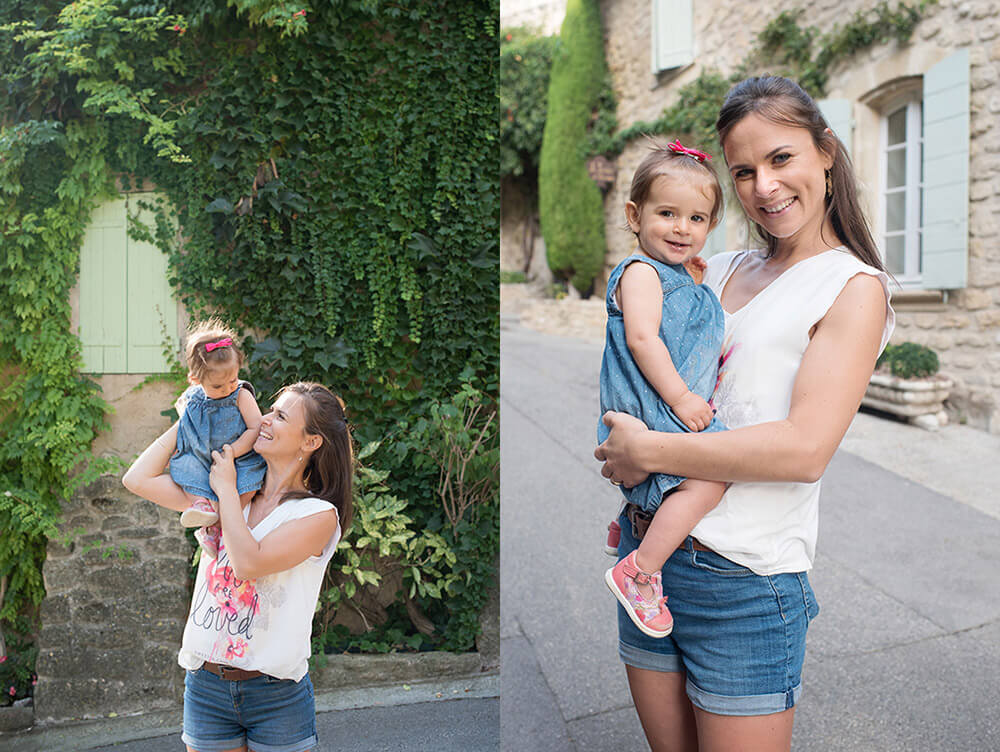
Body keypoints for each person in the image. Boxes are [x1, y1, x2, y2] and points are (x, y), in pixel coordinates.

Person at [594, 75, 895, 752]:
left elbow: (803, 450)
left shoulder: (852, 288)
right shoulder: (717, 266)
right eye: (744, 172)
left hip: (745, 583)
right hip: (651, 555)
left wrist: (651, 452)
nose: (764, 186)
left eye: (780, 159)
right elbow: (640, 342)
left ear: (825, 151)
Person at [123, 381, 353, 752]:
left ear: (311, 442)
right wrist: (196, 412)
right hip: (206, 686)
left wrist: (226, 488)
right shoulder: (231, 491)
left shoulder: (317, 515)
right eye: (270, 409)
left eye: (280, 416)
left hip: (275, 694)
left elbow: (248, 563)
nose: (263, 419)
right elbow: (137, 478)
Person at [599, 139, 728, 640]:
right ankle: (640, 570)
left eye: (696, 219)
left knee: (693, 475)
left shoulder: (675, 276)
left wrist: (691, 285)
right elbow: (643, 337)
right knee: (710, 479)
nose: (682, 228)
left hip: (661, 403)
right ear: (635, 214)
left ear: (710, 226)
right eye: (667, 213)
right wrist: (681, 398)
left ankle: (631, 520)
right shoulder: (641, 272)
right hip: (654, 404)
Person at [171, 319, 266, 557]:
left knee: (250, 482)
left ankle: (218, 526)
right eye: (217, 386)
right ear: (195, 379)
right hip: (205, 456)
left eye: (232, 380)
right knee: (184, 465)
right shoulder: (192, 397)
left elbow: (256, 428)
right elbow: (185, 420)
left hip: (238, 456)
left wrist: (232, 452)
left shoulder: (240, 395)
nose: (227, 388)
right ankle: (201, 506)